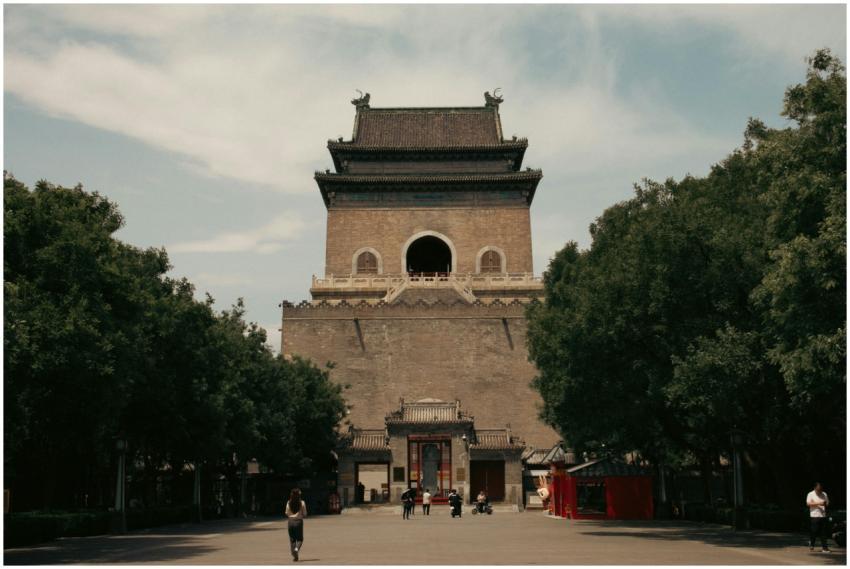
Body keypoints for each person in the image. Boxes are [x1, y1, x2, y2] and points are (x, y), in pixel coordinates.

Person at [285, 488, 307, 562]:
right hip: (298, 522)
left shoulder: (288, 502)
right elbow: (305, 514)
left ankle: (295, 556)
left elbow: (286, 513)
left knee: (292, 539)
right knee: (300, 539)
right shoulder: (302, 503)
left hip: (290, 522)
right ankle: (296, 549)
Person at [807, 482, 830, 552]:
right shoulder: (810, 494)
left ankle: (825, 548)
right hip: (814, 515)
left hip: (823, 515)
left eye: (820, 490)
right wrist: (818, 503)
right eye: (818, 490)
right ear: (815, 488)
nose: (819, 491)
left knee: (823, 532)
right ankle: (811, 543)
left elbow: (827, 503)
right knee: (814, 531)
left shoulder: (824, 494)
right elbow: (808, 503)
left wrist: (825, 504)